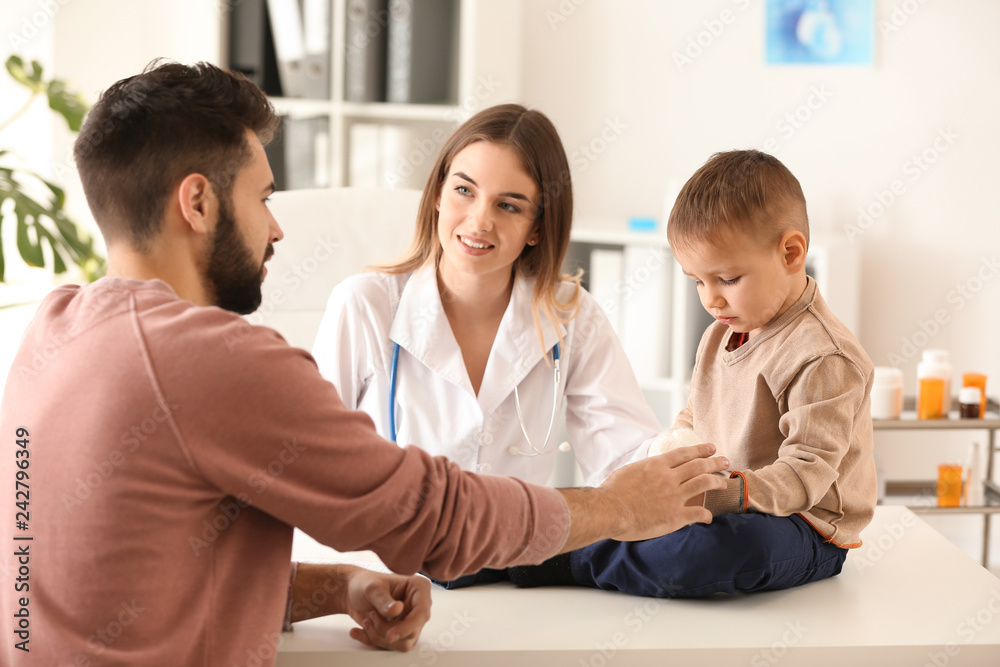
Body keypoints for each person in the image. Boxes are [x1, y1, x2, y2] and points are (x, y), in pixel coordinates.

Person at [0, 61, 729, 666]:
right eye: (264, 196)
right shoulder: (222, 361)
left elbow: (152, 573)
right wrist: (622, 507)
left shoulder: (52, 334)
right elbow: (432, 518)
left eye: (510, 206)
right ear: (197, 201)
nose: (278, 224)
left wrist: (339, 585)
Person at [506, 149, 878, 597]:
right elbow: (693, 418)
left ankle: (565, 557)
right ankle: (533, 537)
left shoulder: (824, 357)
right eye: (698, 281)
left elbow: (806, 476)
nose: (711, 301)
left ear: (791, 253)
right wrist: (666, 466)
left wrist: (719, 495)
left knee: (721, 551)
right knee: (642, 513)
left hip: (805, 526)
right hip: (730, 500)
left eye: (727, 279)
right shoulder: (720, 334)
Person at [312, 103, 663, 490]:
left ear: (537, 229)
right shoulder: (365, 305)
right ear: (437, 197)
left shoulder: (572, 315)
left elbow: (626, 461)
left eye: (509, 205)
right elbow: (310, 460)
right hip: (385, 548)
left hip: (519, 549)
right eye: (464, 190)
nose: (480, 222)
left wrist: (683, 451)